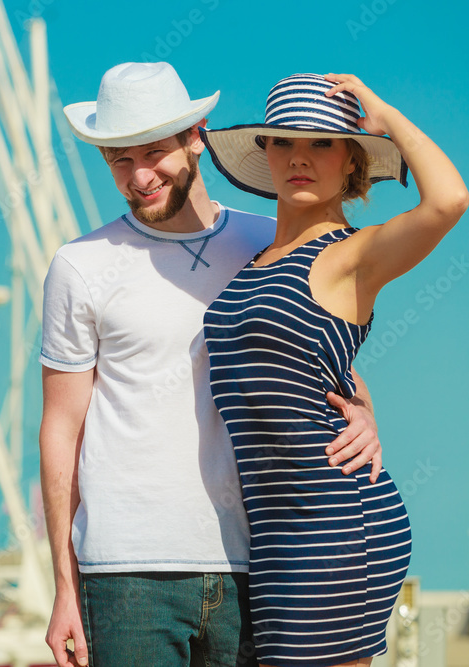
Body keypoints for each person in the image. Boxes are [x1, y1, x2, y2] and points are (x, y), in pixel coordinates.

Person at [40, 62, 385, 667]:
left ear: (196, 135)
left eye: (153, 152)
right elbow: (60, 430)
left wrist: (363, 413)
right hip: (127, 572)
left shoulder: (271, 243)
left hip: (265, 561)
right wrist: (65, 587)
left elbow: (324, 356)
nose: (139, 175)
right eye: (120, 159)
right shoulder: (80, 264)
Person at [200, 73, 468, 667]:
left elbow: (449, 201)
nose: (300, 157)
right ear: (264, 153)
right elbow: (313, 363)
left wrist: (386, 114)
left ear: (351, 160)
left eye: (322, 143)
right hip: (274, 532)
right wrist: (364, 404)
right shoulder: (254, 262)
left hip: (336, 523)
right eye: (283, 141)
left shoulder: (350, 256)